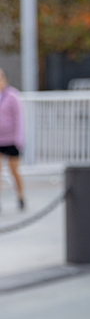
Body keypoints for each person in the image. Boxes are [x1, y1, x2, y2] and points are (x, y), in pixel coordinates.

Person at [0, 68, 25, 212]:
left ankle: (20, 196)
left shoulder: (13, 95)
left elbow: (19, 119)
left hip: (11, 140)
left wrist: (19, 140)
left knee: (14, 170)